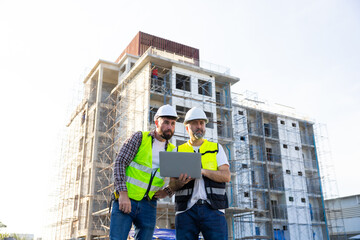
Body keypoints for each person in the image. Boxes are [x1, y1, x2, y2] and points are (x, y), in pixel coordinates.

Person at [109, 104, 178, 240]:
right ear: (157, 122)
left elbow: (175, 180)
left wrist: (167, 192)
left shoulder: (173, 150)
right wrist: (123, 194)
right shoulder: (140, 138)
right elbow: (120, 163)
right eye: (166, 122)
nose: (169, 127)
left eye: (173, 123)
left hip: (149, 205)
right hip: (127, 199)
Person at [169, 107, 231, 240]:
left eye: (202, 123)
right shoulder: (177, 151)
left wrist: (202, 171)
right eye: (195, 123)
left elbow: (226, 176)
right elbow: (171, 185)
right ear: (187, 127)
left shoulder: (216, 148)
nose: (199, 126)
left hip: (214, 210)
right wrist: (180, 182)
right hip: (186, 211)